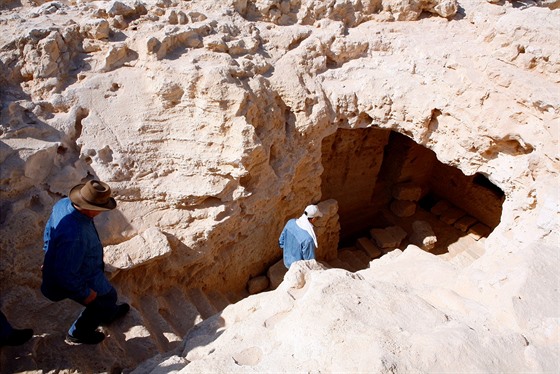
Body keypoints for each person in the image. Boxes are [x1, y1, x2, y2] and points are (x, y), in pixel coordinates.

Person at [41, 180, 129, 345]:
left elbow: (49, 231)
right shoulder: (75, 234)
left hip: (79, 265)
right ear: (92, 209)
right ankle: (78, 334)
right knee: (106, 299)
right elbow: (65, 274)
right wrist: (84, 293)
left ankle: (106, 313)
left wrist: (49, 254)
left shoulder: (63, 204)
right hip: (83, 274)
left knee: (107, 299)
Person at [279, 204, 323, 269]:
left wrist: (290, 252)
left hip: (287, 262)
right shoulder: (308, 239)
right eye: (317, 218)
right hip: (299, 269)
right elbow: (310, 262)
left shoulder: (290, 222)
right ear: (313, 219)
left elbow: (281, 242)